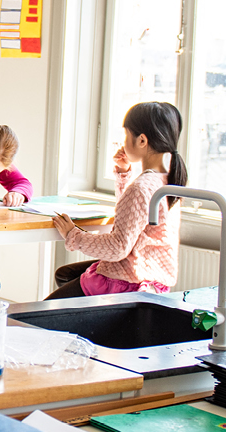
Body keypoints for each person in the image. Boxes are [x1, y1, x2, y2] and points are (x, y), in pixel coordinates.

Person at [46, 102, 186, 299]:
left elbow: (118, 247)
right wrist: (123, 174)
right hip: (153, 277)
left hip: (127, 282)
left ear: (142, 141)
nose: (123, 141)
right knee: (65, 274)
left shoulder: (142, 187)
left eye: (127, 135)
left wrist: (73, 235)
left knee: (38, 314)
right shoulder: (168, 180)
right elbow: (133, 218)